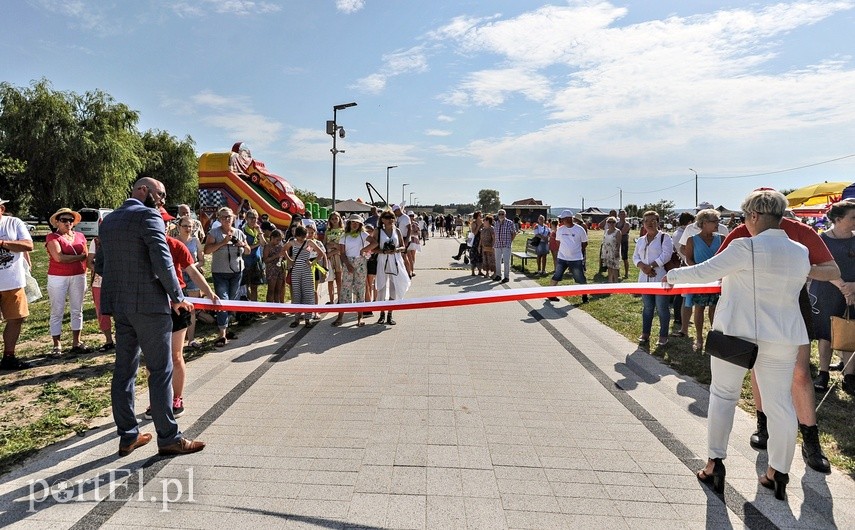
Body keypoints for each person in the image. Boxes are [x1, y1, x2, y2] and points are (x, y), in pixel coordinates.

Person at [664, 189, 811, 500]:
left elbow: (704, 272)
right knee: (780, 404)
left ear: (754, 216)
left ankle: (714, 463)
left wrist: (672, 276)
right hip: (784, 336)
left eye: (745, 217)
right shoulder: (799, 251)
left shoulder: (746, 247)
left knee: (723, 395)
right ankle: (778, 472)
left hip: (737, 335)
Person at [719, 191, 839, 474]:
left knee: (799, 372)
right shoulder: (740, 232)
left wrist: (797, 268)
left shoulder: (799, 231)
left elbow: (831, 269)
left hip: (790, 302)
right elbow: (718, 267)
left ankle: (810, 439)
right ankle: (763, 426)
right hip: (750, 304)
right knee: (758, 368)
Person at [96, 177, 203, 457]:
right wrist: (178, 297)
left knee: (124, 371)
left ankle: (128, 436)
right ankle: (168, 437)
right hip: (150, 307)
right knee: (160, 371)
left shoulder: (109, 221)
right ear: (142, 190)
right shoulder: (148, 216)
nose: (162, 201)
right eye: (160, 195)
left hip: (120, 305)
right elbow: (162, 260)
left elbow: (102, 265)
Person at [145, 207, 219, 419]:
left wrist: (209, 292)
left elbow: (192, 271)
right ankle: (157, 399)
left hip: (177, 306)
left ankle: (177, 398)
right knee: (153, 358)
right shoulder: (142, 246)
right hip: (151, 307)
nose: (160, 225)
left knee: (175, 356)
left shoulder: (175, 245)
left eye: (163, 222)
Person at [810, 199, 855, 394]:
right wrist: (843, 286)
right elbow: (815, 267)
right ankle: (823, 372)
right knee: (825, 334)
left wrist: (853, 287)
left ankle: (850, 376)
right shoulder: (821, 240)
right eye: (853, 217)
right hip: (826, 292)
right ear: (837, 219)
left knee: (850, 330)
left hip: (853, 293)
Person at [45, 208, 91, 356]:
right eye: (64, 220)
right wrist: (79, 258)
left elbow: (87, 256)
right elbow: (59, 258)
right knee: (57, 310)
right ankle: (56, 344)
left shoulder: (80, 236)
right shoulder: (52, 237)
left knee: (77, 309)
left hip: (79, 275)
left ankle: (76, 341)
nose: (68, 223)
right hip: (58, 277)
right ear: (57, 222)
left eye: (70, 220)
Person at [204, 206, 251, 347]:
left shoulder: (239, 232)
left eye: (229, 217)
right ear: (219, 219)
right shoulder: (214, 233)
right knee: (223, 301)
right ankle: (222, 335)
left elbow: (248, 251)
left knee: (231, 301)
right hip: (220, 273)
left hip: (237, 272)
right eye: (223, 217)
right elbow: (207, 250)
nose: (226, 219)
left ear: (233, 218)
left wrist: (241, 244)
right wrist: (223, 243)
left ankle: (227, 328)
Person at [0, 198, 35, 371]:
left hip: (12, 282)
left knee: (16, 319)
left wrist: (2, 244)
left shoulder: (13, 223)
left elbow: (28, 245)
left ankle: (9, 356)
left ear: (2, 209)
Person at [683, 209, 723, 351]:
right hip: (700, 280)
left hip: (718, 280)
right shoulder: (691, 240)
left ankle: (715, 338)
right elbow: (688, 259)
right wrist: (699, 271)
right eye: (715, 221)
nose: (718, 224)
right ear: (704, 223)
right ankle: (699, 339)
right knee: (699, 308)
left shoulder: (722, 238)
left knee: (715, 309)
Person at [364, 209, 410, 325]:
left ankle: (390, 314)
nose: (391, 220)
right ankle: (382, 314)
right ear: (382, 220)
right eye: (388, 217)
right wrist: (384, 251)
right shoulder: (378, 231)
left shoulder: (397, 231)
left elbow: (403, 247)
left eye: (392, 217)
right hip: (383, 260)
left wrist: (395, 250)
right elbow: (373, 248)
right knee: (381, 287)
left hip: (395, 260)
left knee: (394, 286)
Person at [633, 210, 672, 346]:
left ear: (658, 222)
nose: (649, 223)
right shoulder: (641, 240)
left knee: (662, 308)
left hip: (660, 278)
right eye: (646, 221)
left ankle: (663, 335)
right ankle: (645, 333)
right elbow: (635, 257)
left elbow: (666, 255)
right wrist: (643, 267)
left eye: (653, 221)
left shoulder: (664, 237)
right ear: (643, 223)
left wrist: (652, 266)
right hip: (644, 279)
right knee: (647, 307)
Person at [283, 225, 326, 328]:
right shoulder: (292, 242)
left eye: (304, 237)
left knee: (308, 294)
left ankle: (308, 319)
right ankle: (296, 318)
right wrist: (289, 260)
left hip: (307, 270)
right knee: (296, 294)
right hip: (296, 270)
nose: (302, 239)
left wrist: (313, 262)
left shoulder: (309, 242)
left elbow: (321, 253)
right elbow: (283, 250)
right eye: (300, 237)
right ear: (296, 235)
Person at [332, 214, 369, 327]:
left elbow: (375, 243)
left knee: (360, 288)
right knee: (345, 289)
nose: (354, 224)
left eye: (357, 222)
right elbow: (342, 253)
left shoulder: (363, 234)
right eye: (352, 222)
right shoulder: (344, 236)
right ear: (349, 223)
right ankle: (340, 316)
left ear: (360, 224)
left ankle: (360, 317)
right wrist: (347, 264)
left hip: (360, 262)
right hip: (348, 262)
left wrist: (364, 250)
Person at [175, 214, 205, 349]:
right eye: (185, 226)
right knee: (179, 308)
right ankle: (178, 340)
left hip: (192, 276)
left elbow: (202, 260)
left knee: (192, 309)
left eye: (190, 226)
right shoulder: (174, 241)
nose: (188, 229)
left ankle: (191, 339)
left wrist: (192, 267)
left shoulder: (195, 241)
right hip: (178, 277)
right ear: (179, 227)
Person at [547, 210, 588, 303]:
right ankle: (550, 294)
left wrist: (576, 251)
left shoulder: (579, 229)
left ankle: (585, 296)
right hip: (562, 258)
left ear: (568, 219)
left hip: (576, 259)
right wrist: (564, 251)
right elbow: (558, 242)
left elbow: (584, 243)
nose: (561, 220)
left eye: (562, 219)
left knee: (580, 278)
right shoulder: (560, 230)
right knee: (556, 275)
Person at [670, 212, 696, 338]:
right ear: (689, 222)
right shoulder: (681, 234)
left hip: (685, 263)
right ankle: (678, 318)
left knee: (681, 294)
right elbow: (684, 251)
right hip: (686, 264)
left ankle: (679, 318)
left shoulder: (678, 232)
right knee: (681, 295)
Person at [87, 236, 114, 352]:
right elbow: (89, 262)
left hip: (119, 281)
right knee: (102, 312)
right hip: (99, 282)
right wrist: (100, 271)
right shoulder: (97, 241)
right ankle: (109, 340)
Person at [240, 209, 267, 302]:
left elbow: (263, 243)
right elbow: (246, 247)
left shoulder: (256, 230)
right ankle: (248, 305)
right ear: (246, 218)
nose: (254, 220)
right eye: (251, 218)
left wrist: (259, 231)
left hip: (256, 260)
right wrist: (257, 244)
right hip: (246, 260)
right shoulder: (243, 230)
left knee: (255, 286)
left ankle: (255, 306)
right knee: (246, 285)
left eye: (255, 218)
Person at [492, 209, 518, 283]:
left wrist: (510, 241)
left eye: (502, 214)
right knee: (497, 261)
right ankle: (498, 275)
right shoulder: (496, 223)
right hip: (497, 244)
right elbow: (494, 233)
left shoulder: (509, 223)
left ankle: (506, 277)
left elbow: (514, 233)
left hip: (506, 245)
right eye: (499, 214)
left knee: (506, 261)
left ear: (505, 215)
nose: (501, 215)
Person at [324, 212, 344, 305]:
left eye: (336, 218)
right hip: (329, 256)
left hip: (339, 256)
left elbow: (343, 246)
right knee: (330, 279)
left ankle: (340, 299)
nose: (334, 221)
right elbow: (325, 243)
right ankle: (331, 300)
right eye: (332, 219)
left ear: (339, 219)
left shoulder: (343, 231)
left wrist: (336, 248)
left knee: (339, 279)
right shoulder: (328, 231)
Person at [263, 229, 286, 306]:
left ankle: (277, 308)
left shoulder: (280, 246)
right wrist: (276, 256)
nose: (279, 242)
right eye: (277, 240)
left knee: (278, 290)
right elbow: (265, 260)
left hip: (280, 270)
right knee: (271, 290)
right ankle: (269, 309)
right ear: (272, 238)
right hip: (271, 270)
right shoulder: (267, 247)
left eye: (280, 240)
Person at [601, 216, 621, 283]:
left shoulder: (617, 232)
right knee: (609, 266)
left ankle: (616, 281)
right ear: (607, 223)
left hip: (614, 251)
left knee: (615, 267)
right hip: (607, 251)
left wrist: (617, 251)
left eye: (613, 222)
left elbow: (618, 243)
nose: (611, 223)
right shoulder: (606, 231)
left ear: (615, 223)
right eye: (609, 222)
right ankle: (610, 281)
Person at [615, 210, 631, 278]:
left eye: (623, 214)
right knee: (617, 257)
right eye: (621, 214)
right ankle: (617, 273)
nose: (622, 215)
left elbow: (622, 233)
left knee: (625, 258)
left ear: (626, 215)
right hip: (616, 242)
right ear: (618, 215)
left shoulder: (626, 224)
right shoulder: (616, 223)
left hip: (624, 242)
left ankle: (626, 273)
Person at [479, 216, 496, 280]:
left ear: (489, 221)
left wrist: (493, 246)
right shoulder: (483, 229)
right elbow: (481, 238)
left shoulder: (492, 229)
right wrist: (479, 246)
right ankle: (487, 273)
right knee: (485, 260)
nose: (484, 221)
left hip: (490, 247)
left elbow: (494, 238)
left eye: (485, 220)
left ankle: (495, 273)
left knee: (491, 260)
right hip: (484, 247)